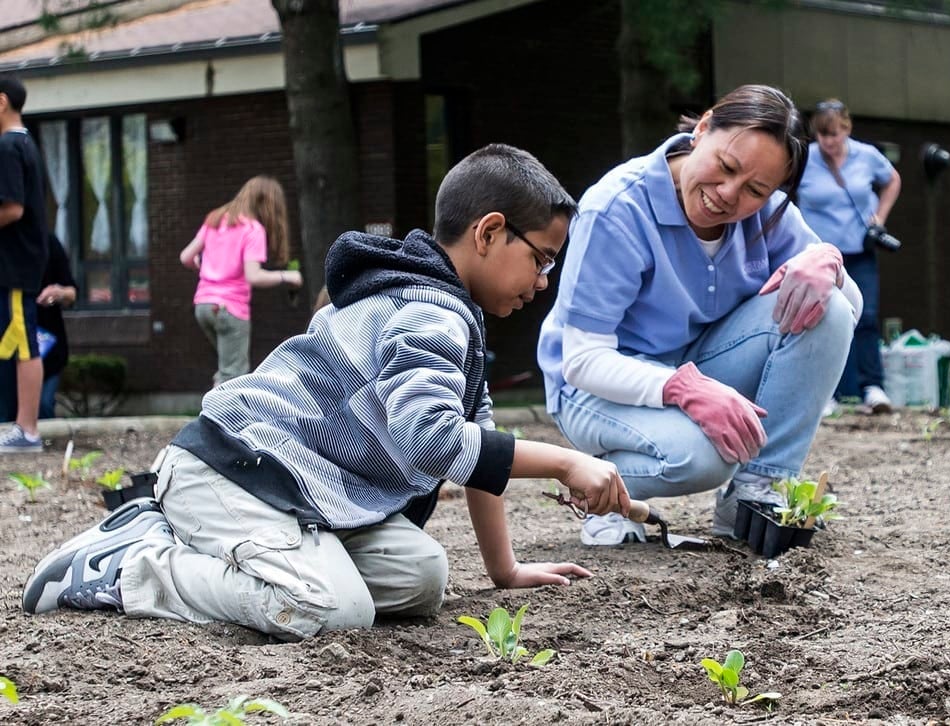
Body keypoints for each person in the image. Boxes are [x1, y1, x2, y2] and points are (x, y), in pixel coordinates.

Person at [22, 144, 631, 639]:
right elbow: (430, 441)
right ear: (489, 232)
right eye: (543, 259)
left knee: (421, 577)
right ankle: (131, 566)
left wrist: (505, 570)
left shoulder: (443, 309)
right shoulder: (429, 313)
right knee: (330, 609)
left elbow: (477, 437)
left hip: (306, 490)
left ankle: (274, 555)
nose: (545, 282)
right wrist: (565, 461)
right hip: (233, 471)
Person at [537, 84, 860, 547]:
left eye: (755, 189)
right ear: (703, 128)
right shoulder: (617, 208)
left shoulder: (766, 216)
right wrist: (681, 387)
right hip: (594, 390)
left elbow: (846, 313)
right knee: (704, 456)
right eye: (726, 167)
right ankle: (597, 483)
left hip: (696, 369)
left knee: (824, 303)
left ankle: (756, 492)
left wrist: (828, 263)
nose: (728, 195)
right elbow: (583, 361)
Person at [797, 98, 901, 415]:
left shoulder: (866, 155)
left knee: (865, 317)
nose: (829, 141)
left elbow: (892, 180)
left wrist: (879, 218)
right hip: (819, 254)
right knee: (825, 318)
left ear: (847, 128)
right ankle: (830, 392)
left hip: (859, 251)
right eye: (822, 134)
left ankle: (872, 387)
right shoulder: (805, 159)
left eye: (835, 134)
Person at [179, 175, 303, 388]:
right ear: (266, 204)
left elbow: (186, 257)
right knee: (234, 376)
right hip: (230, 308)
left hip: (204, 306)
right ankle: (221, 420)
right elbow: (253, 276)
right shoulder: (252, 230)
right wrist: (288, 276)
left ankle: (214, 412)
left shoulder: (215, 219)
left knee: (226, 368)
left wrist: (204, 264)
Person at [0, 73, 48, 452]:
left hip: (15, 262)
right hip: (21, 260)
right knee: (17, 341)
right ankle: (23, 426)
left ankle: (27, 430)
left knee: (24, 343)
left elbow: (12, 208)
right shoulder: (26, 143)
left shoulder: (8, 147)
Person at [0, 233, 77, 421]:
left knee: (42, 405)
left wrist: (58, 293)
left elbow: (72, 292)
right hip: (9, 346)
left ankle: (39, 439)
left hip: (47, 345)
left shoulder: (48, 242)